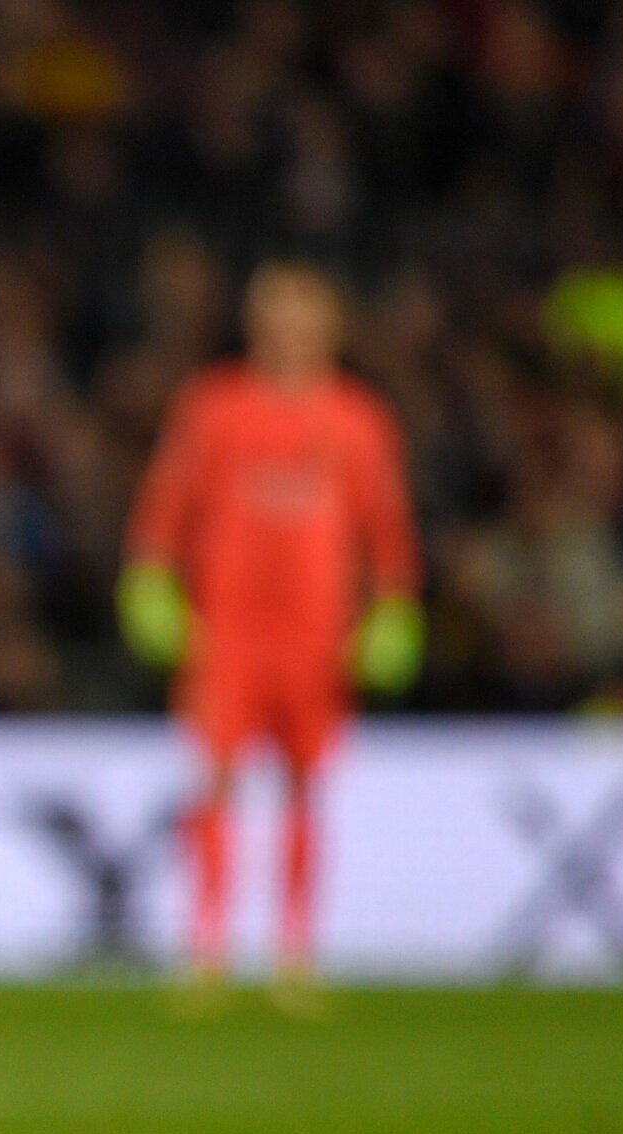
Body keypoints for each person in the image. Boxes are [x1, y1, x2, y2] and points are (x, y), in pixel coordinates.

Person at [119, 261, 423, 994]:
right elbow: (167, 504)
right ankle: (208, 946)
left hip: (316, 634)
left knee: (304, 786)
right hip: (229, 630)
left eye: (302, 316)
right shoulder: (214, 407)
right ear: (255, 325)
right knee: (215, 779)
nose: (289, 331)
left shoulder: (357, 419)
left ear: (330, 327)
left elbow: (386, 527)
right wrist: (151, 581)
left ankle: (294, 950)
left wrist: (394, 606)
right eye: (277, 316)